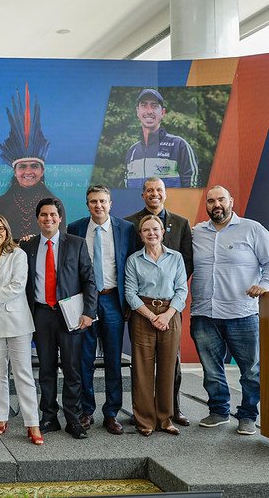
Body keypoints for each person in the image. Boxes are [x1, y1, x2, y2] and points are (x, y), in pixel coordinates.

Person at [190, 185, 268, 436]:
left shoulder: (252, 229)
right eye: (211, 201)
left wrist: (264, 285)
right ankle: (219, 410)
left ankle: (247, 415)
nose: (216, 205)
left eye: (221, 199)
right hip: (204, 314)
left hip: (242, 313)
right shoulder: (197, 232)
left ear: (231, 201)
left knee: (251, 370)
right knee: (212, 370)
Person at [20, 198, 96, 440]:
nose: (48, 219)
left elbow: (89, 280)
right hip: (41, 315)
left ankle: (73, 419)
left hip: (71, 316)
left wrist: (89, 312)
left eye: (53, 215)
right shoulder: (28, 247)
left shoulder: (76, 244)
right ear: (37, 218)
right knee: (46, 369)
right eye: (43, 215)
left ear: (60, 218)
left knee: (73, 370)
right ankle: (49, 417)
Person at [67, 185, 136, 435]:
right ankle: (87, 411)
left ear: (111, 203)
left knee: (113, 359)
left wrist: (128, 303)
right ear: (87, 204)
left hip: (112, 300)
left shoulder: (126, 229)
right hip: (85, 301)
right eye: (93, 201)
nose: (98, 206)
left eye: (103, 201)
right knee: (83, 359)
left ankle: (111, 412)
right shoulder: (75, 228)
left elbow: (132, 267)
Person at [125, 176, 192, 426]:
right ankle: (142, 414)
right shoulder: (129, 223)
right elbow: (127, 266)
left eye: (159, 190)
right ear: (143, 194)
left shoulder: (182, 223)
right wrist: (147, 312)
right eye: (149, 190)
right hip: (142, 307)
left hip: (171, 306)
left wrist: (171, 308)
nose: (155, 194)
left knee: (170, 364)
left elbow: (188, 263)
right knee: (142, 365)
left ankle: (172, 411)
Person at [0, 215, 42, 445]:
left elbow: (17, 286)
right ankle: (1, 417)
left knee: (23, 374)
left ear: (7, 231)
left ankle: (32, 423)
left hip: (17, 323)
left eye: (0, 228)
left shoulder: (18, 254)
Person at [0, 86, 66, 240]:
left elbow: (61, 242)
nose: (28, 171)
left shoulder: (55, 205)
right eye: (22, 166)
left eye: (34, 166)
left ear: (42, 171)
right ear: (15, 171)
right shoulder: (0, 203)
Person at [124, 88, 199, 189]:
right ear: (137, 111)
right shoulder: (132, 151)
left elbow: (192, 188)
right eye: (144, 105)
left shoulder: (179, 145)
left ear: (163, 112)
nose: (149, 111)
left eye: (154, 106)